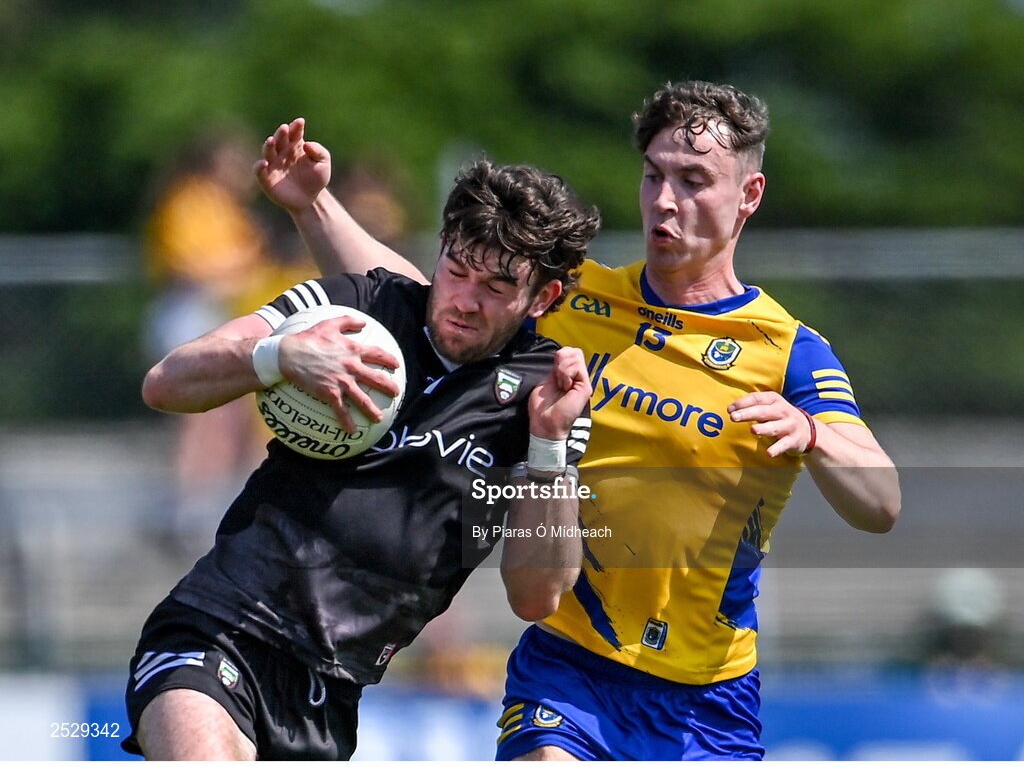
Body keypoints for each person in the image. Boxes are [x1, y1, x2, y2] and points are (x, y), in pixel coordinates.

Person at [257, 81, 901, 762]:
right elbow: (426, 301)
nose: (665, 199)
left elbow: (880, 503)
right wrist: (314, 206)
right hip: (570, 670)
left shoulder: (790, 353)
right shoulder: (577, 300)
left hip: (707, 699)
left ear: (750, 195)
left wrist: (815, 433)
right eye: (654, 174)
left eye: (693, 180)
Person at [122, 158, 601, 760]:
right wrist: (280, 356)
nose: (465, 300)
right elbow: (166, 383)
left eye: (496, 289)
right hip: (219, 629)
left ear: (542, 297)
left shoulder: (547, 392)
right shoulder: (357, 306)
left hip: (332, 692)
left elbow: (536, 596)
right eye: (456, 271)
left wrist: (548, 449)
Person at [142, 128, 315, 552]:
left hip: (221, 312)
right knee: (200, 420)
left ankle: (217, 506)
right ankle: (185, 510)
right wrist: (240, 268)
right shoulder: (188, 200)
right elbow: (191, 267)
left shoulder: (226, 206)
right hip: (190, 310)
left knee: (231, 422)